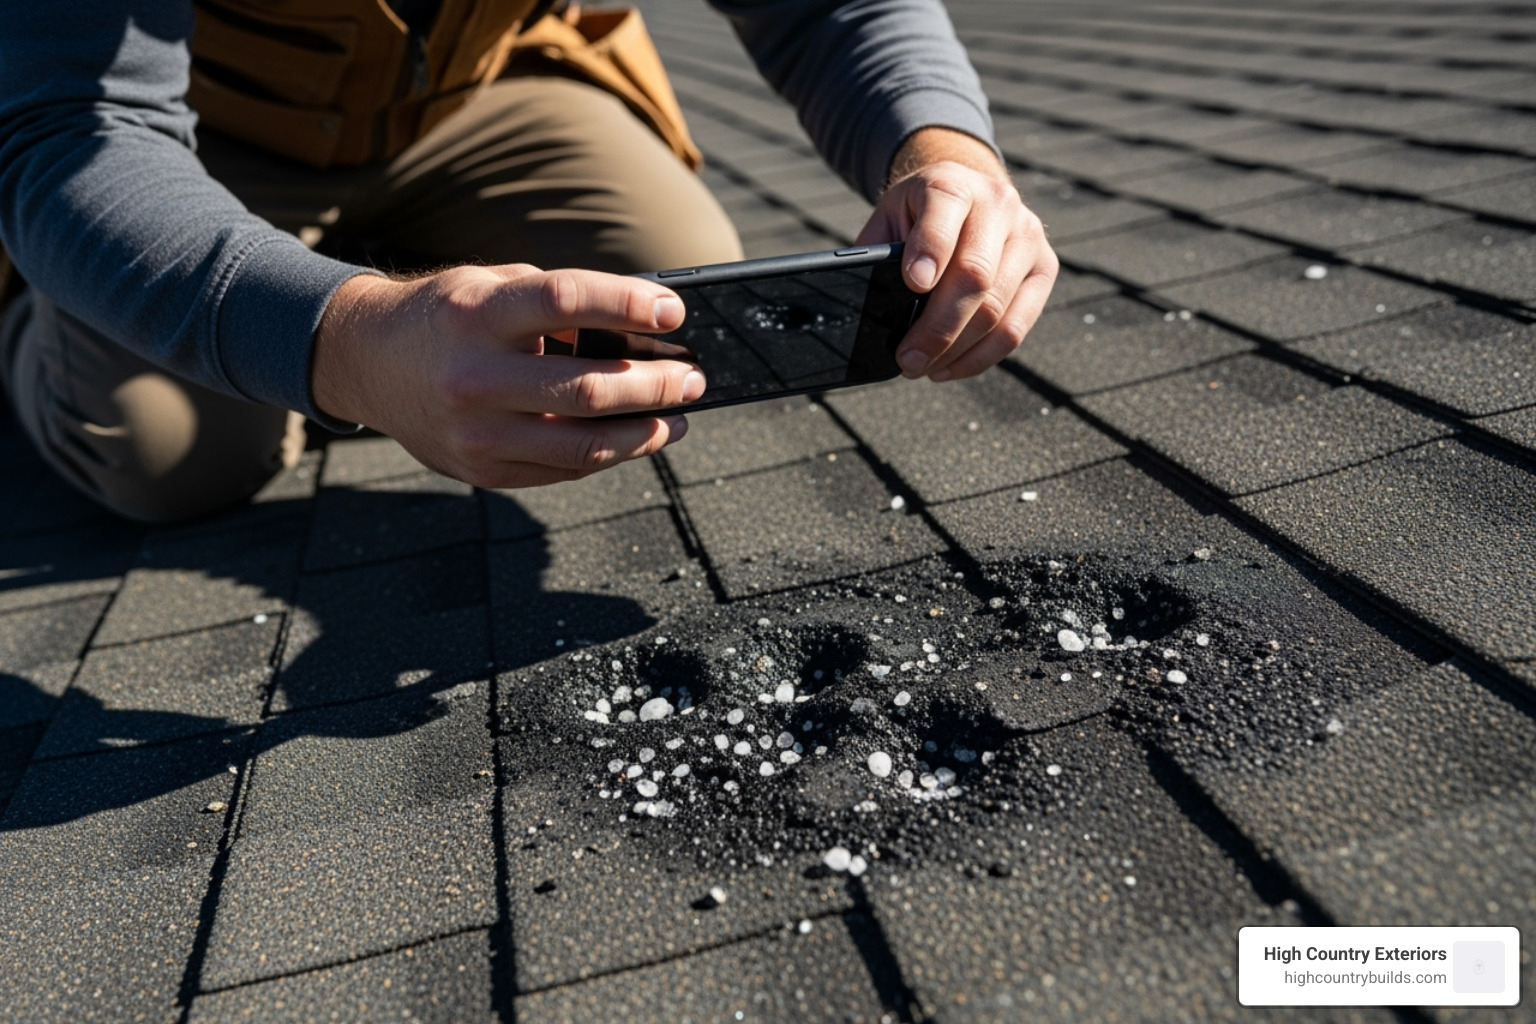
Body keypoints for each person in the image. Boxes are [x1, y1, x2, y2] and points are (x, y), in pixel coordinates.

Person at [0, 0, 1057, 523]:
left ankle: (402, 292)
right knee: (166, 455)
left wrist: (946, 154)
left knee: (673, 300)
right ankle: (30, 313)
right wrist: (351, 342)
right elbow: (69, 128)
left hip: (480, 91)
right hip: (190, 137)